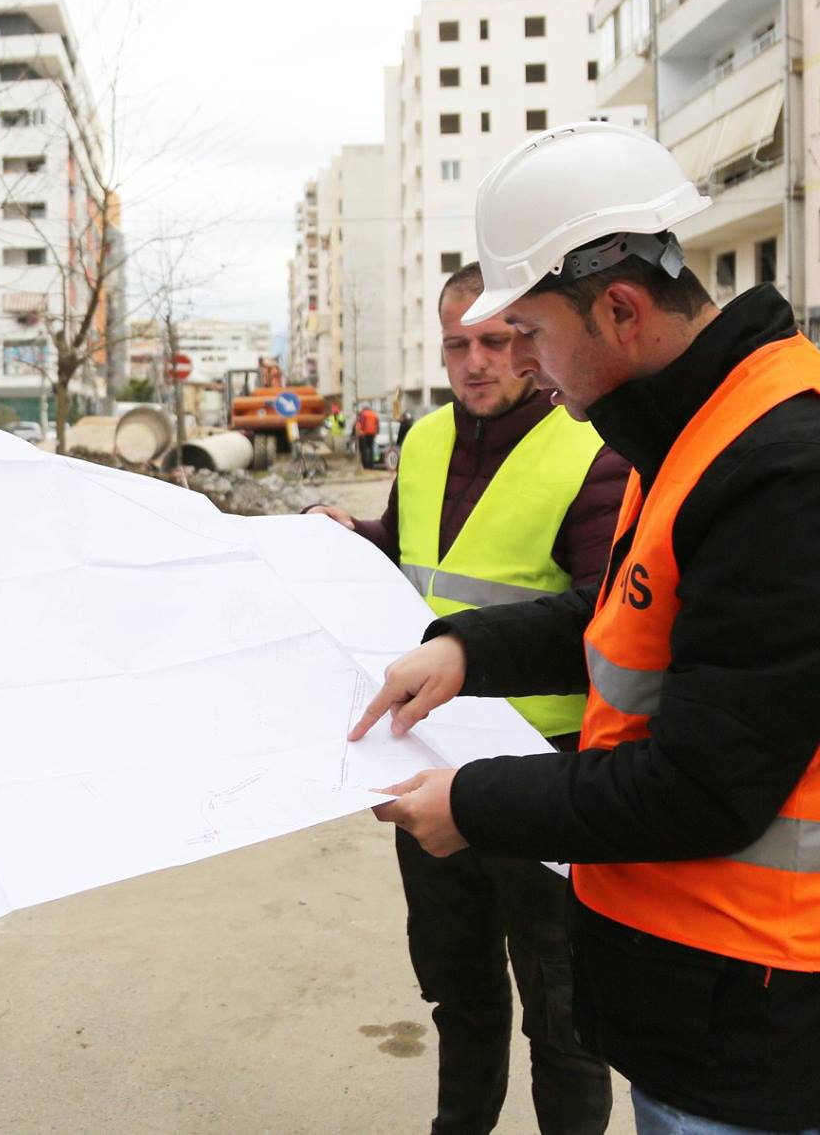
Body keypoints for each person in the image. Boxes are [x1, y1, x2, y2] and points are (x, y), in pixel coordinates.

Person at [353, 122, 820, 1135]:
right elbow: (623, 618)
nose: (528, 369)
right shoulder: (701, 433)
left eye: (533, 337)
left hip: (767, 1017)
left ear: (619, 310)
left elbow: (701, 787)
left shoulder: (801, 473)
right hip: (700, 993)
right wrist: (464, 650)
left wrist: (469, 800)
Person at [308, 264, 626, 1135]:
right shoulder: (423, 441)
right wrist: (355, 541)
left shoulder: (588, 450)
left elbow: (606, 621)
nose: (477, 361)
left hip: (547, 779)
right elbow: (418, 558)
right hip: (431, 759)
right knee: (459, 988)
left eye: (496, 340)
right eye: (458, 344)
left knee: (563, 1017)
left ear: (528, 340)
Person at [354, 403, 381, 470]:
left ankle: (366, 466)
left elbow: (361, 423)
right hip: (372, 434)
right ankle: (371, 465)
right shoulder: (374, 414)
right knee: (371, 450)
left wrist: (361, 432)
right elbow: (377, 423)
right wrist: (377, 432)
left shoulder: (363, 414)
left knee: (365, 450)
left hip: (364, 434)